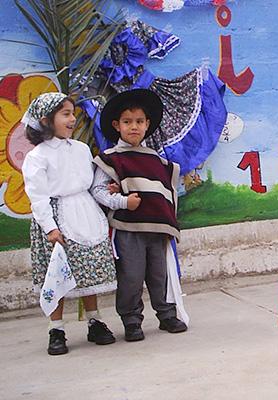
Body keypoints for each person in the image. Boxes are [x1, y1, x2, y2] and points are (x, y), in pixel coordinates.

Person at [21, 92, 118, 355]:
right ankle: (57, 328)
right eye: (65, 114)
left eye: (72, 113)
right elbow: (38, 196)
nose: (72, 119)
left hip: (85, 213)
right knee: (59, 274)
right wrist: (50, 227)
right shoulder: (37, 157)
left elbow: (88, 181)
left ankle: (94, 321)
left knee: (87, 272)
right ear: (46, 120)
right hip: (57, 218)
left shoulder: (81, 149)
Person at [91, 89, 188, 341]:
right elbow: (98, 190)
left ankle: (166, 315)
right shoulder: (111, 159)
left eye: (139, 122)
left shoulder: (155, 160)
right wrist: (122, 201)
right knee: (131, 276)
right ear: (117, 125)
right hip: (128, 228)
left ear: (147, 125)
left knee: (159, 274)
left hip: (156, 228)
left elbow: (164, 189)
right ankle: (132, 321)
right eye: (127, 122)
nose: (133, 127)